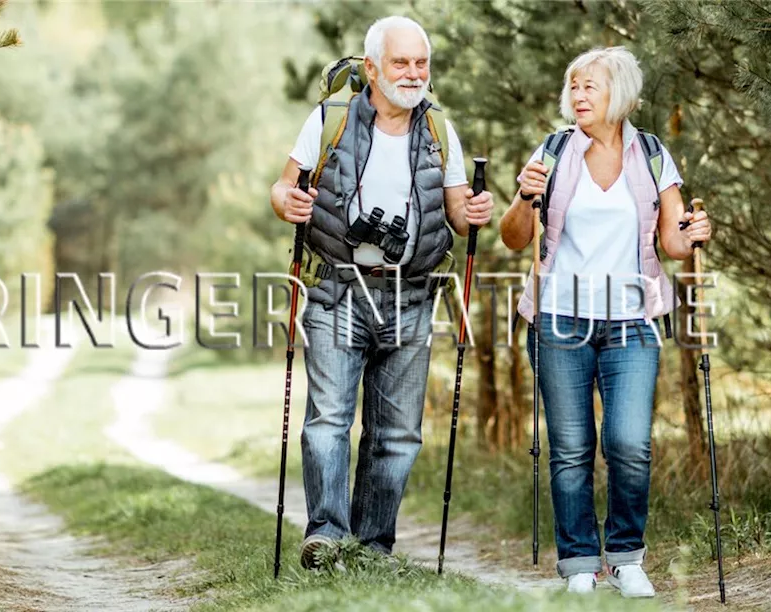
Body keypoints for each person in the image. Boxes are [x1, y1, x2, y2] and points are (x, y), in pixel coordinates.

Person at [269, 15, 493, 569]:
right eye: (402, 62)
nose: (414, 73)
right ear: (372, 67)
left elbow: (460, 213)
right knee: (329, 421)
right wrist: (286, 202)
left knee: (396, 435)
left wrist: (476, 211)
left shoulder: (440, 129)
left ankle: (372, 548)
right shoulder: (330, 119)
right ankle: (326, 536)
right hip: (337, 292)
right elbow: (284, 185)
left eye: (422, 63)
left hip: (412, 295)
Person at [498, 46, 713, 597]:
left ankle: (624, 556)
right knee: (570, 449)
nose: (578, 96)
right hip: (559, 320)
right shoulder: (551, 152)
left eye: (589, 86)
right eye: (573, 87)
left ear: (619, 92)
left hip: (632, 322)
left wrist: (692, 235)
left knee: (628, 442)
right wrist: (525, 196)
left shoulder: (653, 154)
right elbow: (514, 236)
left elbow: (672, 243)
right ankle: (578, 564)